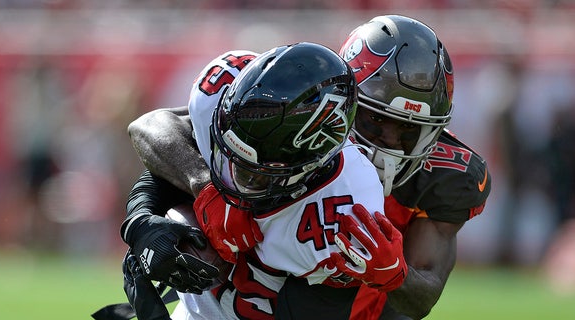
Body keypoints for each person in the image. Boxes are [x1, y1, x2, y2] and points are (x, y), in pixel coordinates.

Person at [128, 15, 491, 319]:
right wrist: (202, 190)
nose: (389, 144)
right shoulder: (297, 111)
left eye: (409, 131)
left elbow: (423, 295)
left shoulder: (447, 177)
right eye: (374, 121)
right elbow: (163, 130)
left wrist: (395, 275)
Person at [121, 42, 405, 320]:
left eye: (255, 174)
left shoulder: (345, 206)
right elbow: (152, 131)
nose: (234, 177)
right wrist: (148, 217)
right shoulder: (222, 95)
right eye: (230, 157)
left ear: (310, 164)